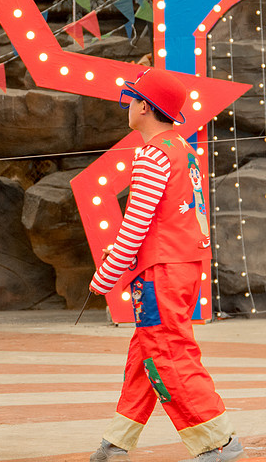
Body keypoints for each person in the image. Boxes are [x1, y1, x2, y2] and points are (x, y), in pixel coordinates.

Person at [88, 68, 243, 462]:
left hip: (161, 272)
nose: (128, 105)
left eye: (133, 99)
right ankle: (117, 442)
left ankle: (218, 442)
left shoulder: (152, 155)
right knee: (146, 353)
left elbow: (135, 226)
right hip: (184, 265)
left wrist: (103, 279)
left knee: (169, 354)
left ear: (144, 107)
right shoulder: (182, 148)